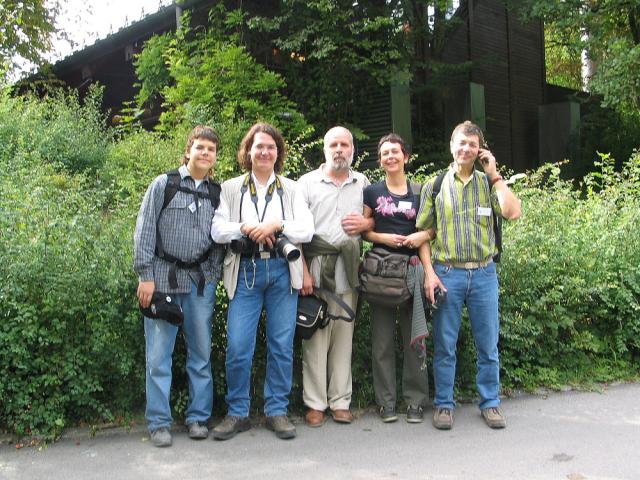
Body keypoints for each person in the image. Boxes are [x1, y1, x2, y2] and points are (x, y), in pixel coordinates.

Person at [210, 123, 314, 440]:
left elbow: (307, 229)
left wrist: (277, 224)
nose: (265, 152)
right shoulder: (230, 188)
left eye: (270, 147)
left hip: (283, 270)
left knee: (281, 345)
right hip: (246, 271)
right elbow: (217, 230)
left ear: (278, 152)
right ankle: (237, 412)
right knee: (239, 346)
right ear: (248, 151)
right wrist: (246, 228)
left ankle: (276, 411)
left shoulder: (292, 188)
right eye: (259, 146)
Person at [416, 120, 521, 430]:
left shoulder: (488, 184)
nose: (466, 149)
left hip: (484, 275)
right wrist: (429, 273)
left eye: (472, 145)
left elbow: (513, 212)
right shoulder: (434, 185)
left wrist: (495, 174)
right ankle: (444, 405)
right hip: (447, 274)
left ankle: (490, 404)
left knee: (487, 345)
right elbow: (423, 234)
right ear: (452, 146)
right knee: (445, 344)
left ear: (480, 150)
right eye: (461, 143)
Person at [134, 125, 225, 447]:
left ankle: (198, 417)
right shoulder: (165, 184)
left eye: (211, 150)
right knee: (159, 356)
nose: (205, 153)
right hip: (162, 279)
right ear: (189, 150)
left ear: (215, 157)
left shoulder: (216, 193)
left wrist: (212, 274)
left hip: (200, 284)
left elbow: (220, 237)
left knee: (200, 353)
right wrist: (146, 276)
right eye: (200, 147)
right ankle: (159, 422)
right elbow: (144, 229)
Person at [297, 126, 373, 427]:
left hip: (349, 270)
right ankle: (315, 404)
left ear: (352, 149)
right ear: (324, 149)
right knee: (315, 339)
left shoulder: (363, 183)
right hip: (316, 271)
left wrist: (366, 221)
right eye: (334, 144)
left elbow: (374, 220)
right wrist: (301, 271)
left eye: (344, 144)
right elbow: (296, 234)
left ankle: (340, 401)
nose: (339, 149)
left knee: (343, 339)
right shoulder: (306, 184)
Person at [361, 133, 431, 424]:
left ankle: (415, 401)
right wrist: (382, 236)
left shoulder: (420, 191)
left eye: (395, 152)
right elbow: (365, 230)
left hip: (413, 269)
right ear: (380, 160)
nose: (390, 156)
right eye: (385, 153)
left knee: (415, 338)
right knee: (382, 341)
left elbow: (431, 230)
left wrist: (422, 237)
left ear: (406, 156)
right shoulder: (372, 192)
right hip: (381, 272)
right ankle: (386, 402)